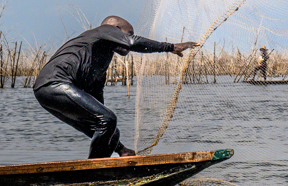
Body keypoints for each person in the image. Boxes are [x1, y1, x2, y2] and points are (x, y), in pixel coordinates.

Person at [34, 16, 196, 158]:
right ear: (115, 29)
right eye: (127, 34)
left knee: (109, 127)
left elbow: (97, 101)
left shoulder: (99, 59)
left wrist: (121, 149)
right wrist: (171, 47)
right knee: (107, 119)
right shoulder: (104, 30)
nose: (128, 39)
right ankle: (94, 170)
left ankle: (109, 162)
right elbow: (133, 42)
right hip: (54, 83)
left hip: (47, 91)